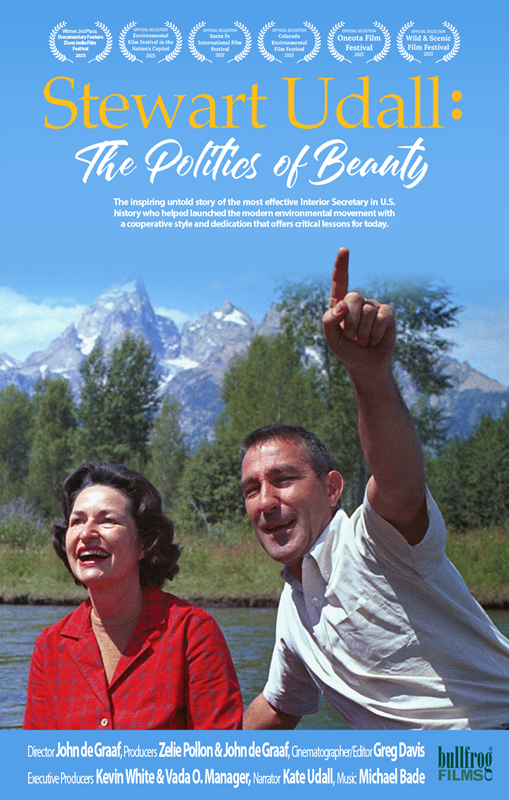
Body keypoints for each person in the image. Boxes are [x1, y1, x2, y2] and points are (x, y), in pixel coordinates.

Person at [241, 247, 509, 730]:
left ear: (332, 490)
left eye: (284, 479)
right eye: (252, 489)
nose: (266, 501)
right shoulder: (293, 608)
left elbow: (398, 478)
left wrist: (368, 374)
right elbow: (277, 709)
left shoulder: (375, 542)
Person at [24, 462, 242, 730]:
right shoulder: (49, 646)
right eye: (77, 521)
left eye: (108, 521)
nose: (86, 532)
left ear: (143, 543)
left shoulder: (192, 632)